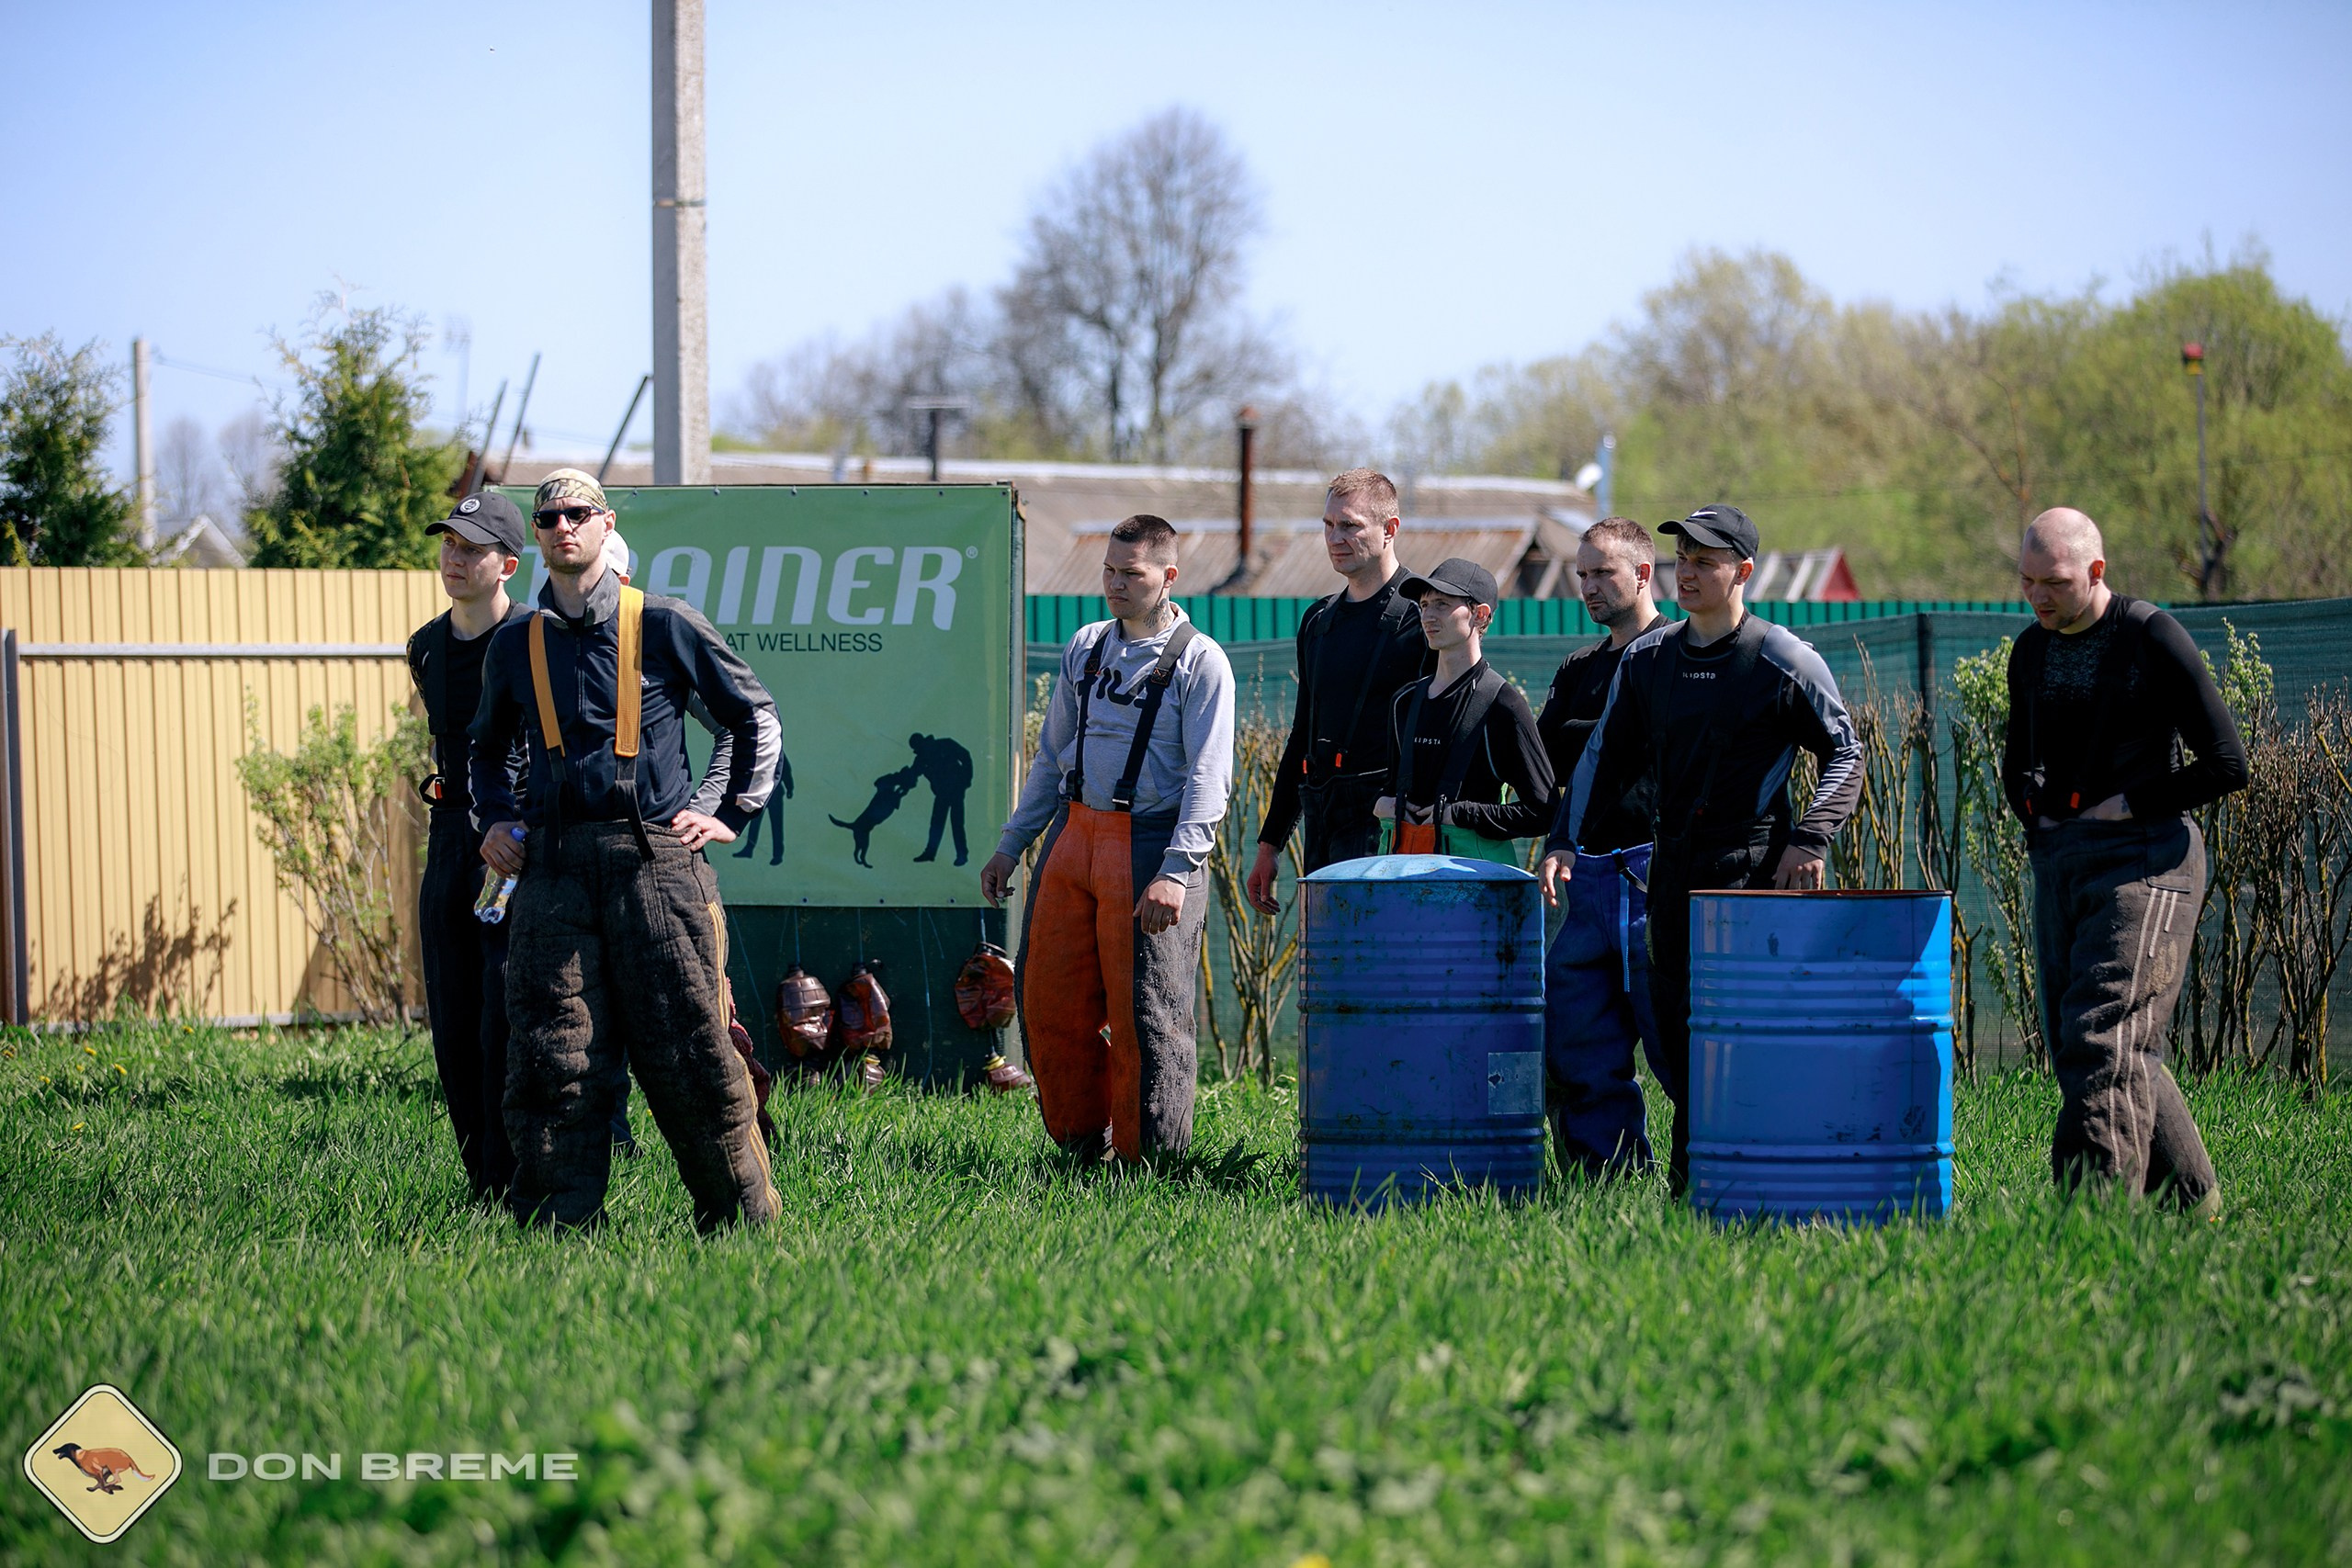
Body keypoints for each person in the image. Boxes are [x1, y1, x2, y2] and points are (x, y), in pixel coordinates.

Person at [470, 468, 786, 1231]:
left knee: (691, 1054)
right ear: (536, 535)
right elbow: (485, 751)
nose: (562, 526)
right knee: (552, 1058)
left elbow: (752, 718)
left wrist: (723, 809)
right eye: (548, 517)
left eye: (578, 513)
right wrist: (497, 821)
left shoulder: (667, 622)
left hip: (656, 865)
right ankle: (557, 1230)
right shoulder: (515, 643)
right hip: (551, 873)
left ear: (606, 524)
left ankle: (742, 1224)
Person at [1545, 504, 1863, 1195]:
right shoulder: (1647, 660)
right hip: (1669, 871)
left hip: (1752, 873)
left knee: (1747, 1040)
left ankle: (1772, 1186)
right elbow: (1601, 758)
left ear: (1742, 572)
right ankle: (1695, 1195)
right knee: (1681, 1041)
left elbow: (1847, 752)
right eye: (1682, 560)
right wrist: (1564, 840)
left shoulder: (1782, 657)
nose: (1686, 574)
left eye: (1705, 562)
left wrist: (1810, 837)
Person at [2006, 507, 2241, 1216]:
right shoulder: (2031, 650)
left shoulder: (2151, 636)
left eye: (2055, 582)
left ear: (2096, 570)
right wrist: (2034, 810)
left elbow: (2227, 762)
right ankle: (2195, 1203)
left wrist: (2129, 804)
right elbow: (2018, 761)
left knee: (2102, 1036)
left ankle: (2095, 1223)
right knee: (2088, 1043)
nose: (2039, 596)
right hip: (2063, 861)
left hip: (2148, 861)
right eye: (2027, 582)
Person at [980, 514, 1235, 1162]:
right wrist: (1012, 843)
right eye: (1109, 571)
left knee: (1146, 1014)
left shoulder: (1202, 661)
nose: (1116, 584)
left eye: (1132, 573)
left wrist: (1177, 870)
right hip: (1074, 835)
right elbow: (1051, 756)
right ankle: (1078, 1146)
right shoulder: (1086, 645)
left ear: (1169, 576)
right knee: (1047, 998)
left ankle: (1149, 1164)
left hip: (1151, 846)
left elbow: (1209, 778)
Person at [407, 491, 534, 1201]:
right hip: (448, 839)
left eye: (472, 548)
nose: (454, 558)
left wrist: (521, 829)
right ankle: (480, 1185)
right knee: (453, 1015)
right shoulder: (425, 646)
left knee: (503, 1013)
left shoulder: (537, 640)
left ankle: (516, 1172)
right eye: (448, 543)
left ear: (507, 564)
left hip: (513, 847)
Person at [1530, 519, 1665, 1177]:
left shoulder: (1676, 656)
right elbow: (1543, 771)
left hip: (1654, 872)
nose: (1587, 586)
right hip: (1580, 876)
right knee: (1577, 1039)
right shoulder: (1578, 669)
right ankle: (1605, 1179)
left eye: (1602, 572)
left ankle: (1707, 1174)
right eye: (1581, 574)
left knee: (1674, 1040)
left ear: (1642, 573)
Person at [1246, 468, 1430, 912]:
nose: (1335, 538)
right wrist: (1270, 845)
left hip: (1391, 834)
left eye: (1350, 525)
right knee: (1325, 952)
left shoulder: (1424, 617)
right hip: (1321, 823)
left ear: (1390, 529)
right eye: (1328, 525)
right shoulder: (1318, 621)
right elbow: (1301, 736)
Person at [1373, 558, 1554, 858]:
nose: (1428, 615)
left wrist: (1460, 814)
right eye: (1424, 605)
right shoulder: (1403, 702)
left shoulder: (1503, 704)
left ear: (1480, 615)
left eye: (1442, 604)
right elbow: (1388, 786)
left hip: (1475, 881)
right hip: (1399, 874)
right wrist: (1383, 804)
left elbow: (1543, 811)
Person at [907, 732, 974, 864]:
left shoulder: (945, 744)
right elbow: (912, 774)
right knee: (937, 823)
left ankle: (961, 855)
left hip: (956, 789)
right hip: (942, 792)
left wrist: (966, 780)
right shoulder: (922, 758)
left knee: (956, 823)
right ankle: (930, 853)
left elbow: (965, 756)